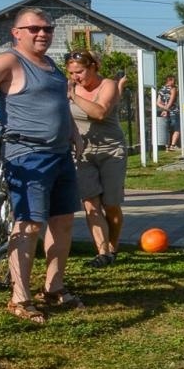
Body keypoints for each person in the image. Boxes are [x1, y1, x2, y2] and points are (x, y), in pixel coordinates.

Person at [0, 7, 82, 323]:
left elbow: (60, 106)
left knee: (62, 221)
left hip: (60, 155)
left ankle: (53, 287)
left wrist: (74, 133)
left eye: (48, 29)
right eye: (35, 28)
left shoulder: (51, 65)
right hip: (28, 156)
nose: (43, 33)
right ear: (17, 32)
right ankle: (20, 298)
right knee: (28, 225)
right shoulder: (10, 61)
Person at [65, 50, 127, 267]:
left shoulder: (107, 85)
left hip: (111, 151)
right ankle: (102, 253)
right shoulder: (69, 87)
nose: (75, 77)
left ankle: (113, 246)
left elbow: (100, 112)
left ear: (92, 67)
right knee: (90, 203)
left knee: (111, 204)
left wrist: (74, 96)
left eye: (80, 72)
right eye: (71, 73)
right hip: (82, 153)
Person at [156, 75, 179, 151]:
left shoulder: (161, 90)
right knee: (176, 128)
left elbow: (158, 102)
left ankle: (167, 146)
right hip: (173, 111)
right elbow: (171, 101)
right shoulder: (173, 89)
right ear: (170, 80)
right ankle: (173, 145)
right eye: (173, 81)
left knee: (167, 129)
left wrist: (163, 108)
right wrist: (167, 109)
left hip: (164, 112)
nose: (174, 82)